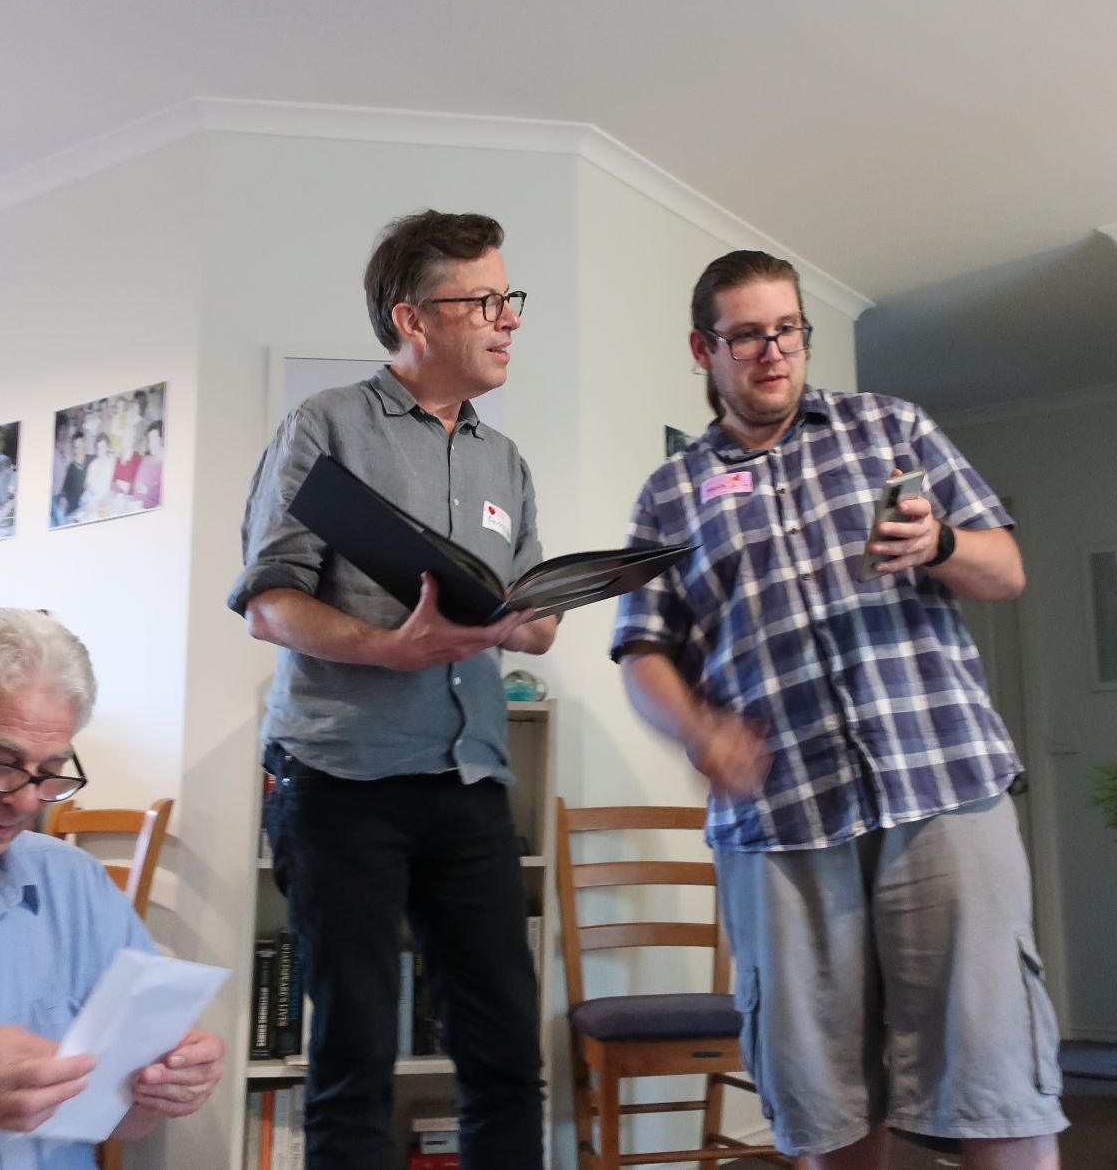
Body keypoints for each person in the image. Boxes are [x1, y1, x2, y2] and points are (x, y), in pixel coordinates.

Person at [611, 250, 1065, 1170]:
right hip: (779, 824)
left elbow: (1006, 570)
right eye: (747, 334)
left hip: (940, 784)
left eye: (788, 329)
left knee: (997, 1076)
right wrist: (698, 730)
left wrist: (940, 543)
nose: (773, 351)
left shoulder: (892, 428)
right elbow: (641, 650)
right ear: (704, 349)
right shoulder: (670, 493)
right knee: (825, 1102)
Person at [229, 209, 557, 1170]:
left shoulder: (506, 462)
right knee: (353, 1066)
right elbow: (268, 604)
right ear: (414, 319)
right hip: (340, 782)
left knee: (508, 1060)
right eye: (485, 301)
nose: (508, 318)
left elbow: (536, 622)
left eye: (510, 298)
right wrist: (387, 647)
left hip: (471, 783)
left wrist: (527, 615)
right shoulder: (325, 425)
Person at [0, 607, 225, 1169]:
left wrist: (163, 1083)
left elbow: (124, 1120)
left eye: (49, 770)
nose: (25, 801)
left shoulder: (73, 885)